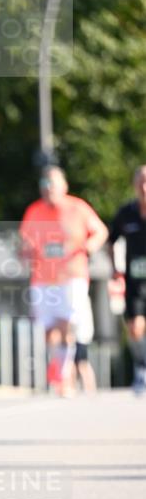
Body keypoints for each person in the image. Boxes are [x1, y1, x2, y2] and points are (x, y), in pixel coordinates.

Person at [19, 167, 108, 396]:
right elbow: (25, 243)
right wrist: (25, 253)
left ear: (64, 186)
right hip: (42, 278)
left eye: (53, 184)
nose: (48, 189)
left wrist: (87, 248)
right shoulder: (34, 210)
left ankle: (64, 376)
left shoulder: (78, 208)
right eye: (45, 185)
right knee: (49, 331)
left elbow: (101, 232)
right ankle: (59, 371)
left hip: (71, 277)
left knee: (66, 325)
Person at [108, 164, 146, 395]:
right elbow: (111, 240)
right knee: (135, 328)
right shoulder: (126, 213)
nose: (144, 186)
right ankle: (142, 370)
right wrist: (115, 268)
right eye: (140, 181)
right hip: (135, 282)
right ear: (134, 185)